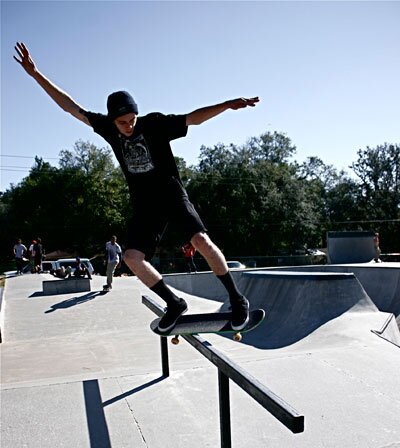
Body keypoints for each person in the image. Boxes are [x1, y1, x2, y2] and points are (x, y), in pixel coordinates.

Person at [14, 42, 259, 333]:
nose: (129, 126)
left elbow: (192, 118)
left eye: (132, 120)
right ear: (112, 121)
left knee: (201, 242)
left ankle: (236, 299)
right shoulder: (106, 127)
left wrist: (227, 105)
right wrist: (36, 74)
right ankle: (174, 303)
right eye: (123, 123)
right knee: (131, 258)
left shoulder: (154, 124)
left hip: (170, 193)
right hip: (145, 204)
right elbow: (71, 108)